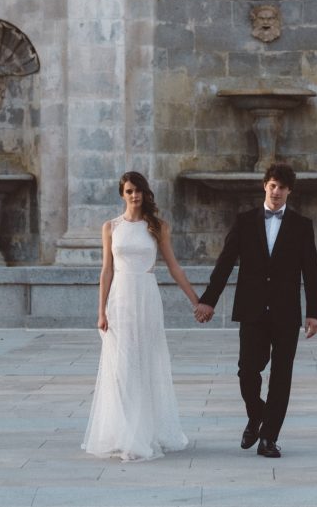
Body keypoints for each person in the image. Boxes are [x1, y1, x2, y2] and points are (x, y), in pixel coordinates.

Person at [194, 163, 317, 458]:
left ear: (289, 191)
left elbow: (311, 272)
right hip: (251, 310)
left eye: (282, 187)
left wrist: (313, 312)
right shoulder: (245, 221)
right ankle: (257, 414)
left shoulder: (302, 225)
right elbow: (225, 263)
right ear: (265, 186)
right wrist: (208, 300)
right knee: (248, 371)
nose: (276, 192)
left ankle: (268, 438)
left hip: (286, 312)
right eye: (272, 185)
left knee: (281, 375)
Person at [83, 171, 199, 462]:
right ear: (122, 194)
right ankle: (124, 432)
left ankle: (145, 431)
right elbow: (106, 270)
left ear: (146, 193)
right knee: (121, 366)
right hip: (120, 298)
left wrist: (196, 300)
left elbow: (173, 267)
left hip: (146, 296)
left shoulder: (157, 227)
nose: (135, 196)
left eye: (139, 191)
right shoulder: (111, 227)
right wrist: (100, 311)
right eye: (129, 191)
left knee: (145, 362)